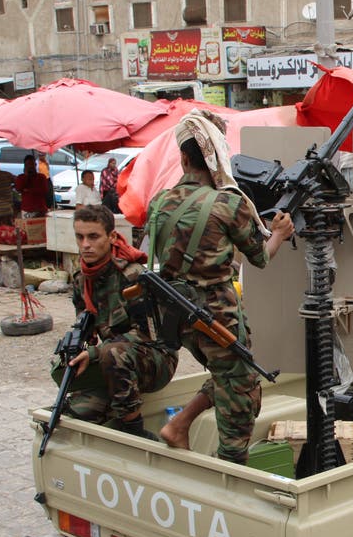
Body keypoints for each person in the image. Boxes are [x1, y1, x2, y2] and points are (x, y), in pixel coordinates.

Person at [148, 109, 294, 464]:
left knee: (228, 372)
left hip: (174, 315)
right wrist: (278, 234)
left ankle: (179, 424)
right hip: (216, 316)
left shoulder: (160, 202)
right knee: (243, 391)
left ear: (183, 158)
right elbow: (259, 258)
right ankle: (232, 466)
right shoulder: (230, 203)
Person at [64, 205, 178, 439]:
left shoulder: (132, 276)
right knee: (80, 411)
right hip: (114, 361)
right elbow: (84, 326)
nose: (85, 244)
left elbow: (149, 334)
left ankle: (134, 429)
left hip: (155, 358)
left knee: (112, 353)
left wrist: (96, 353)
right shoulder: (82, 280)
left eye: (93, 236)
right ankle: (111, 410)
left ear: (112, 236)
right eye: (80, 237)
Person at [0, 155, 15, 227]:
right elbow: (19, 182)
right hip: (7, 210)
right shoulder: (7, 174)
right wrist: (11, 187)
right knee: (8, 234)